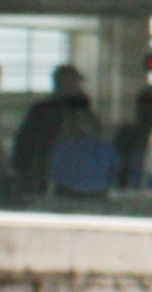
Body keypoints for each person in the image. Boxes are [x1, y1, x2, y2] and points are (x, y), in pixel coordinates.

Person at [9, 62, 94, 198]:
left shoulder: (82, 111)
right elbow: (24, 145)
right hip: (46, 176)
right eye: (75, 83)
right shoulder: (43, 111)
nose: (78, 87)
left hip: (76, 177)